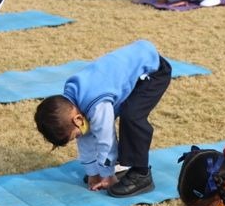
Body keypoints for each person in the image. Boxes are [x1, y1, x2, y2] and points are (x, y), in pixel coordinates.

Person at [34, 40, 171, 197]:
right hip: (131, 71)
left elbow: (106, 138)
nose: (78, 137)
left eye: (75, 135)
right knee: (105, 122)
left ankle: (141, 174)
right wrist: (93, 173)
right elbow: (85, 138)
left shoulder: (97, 105)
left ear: (78, 120)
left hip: (152, 72)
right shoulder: (72, 106)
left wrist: (107, 175)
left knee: (131, 116)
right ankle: (118, 164)